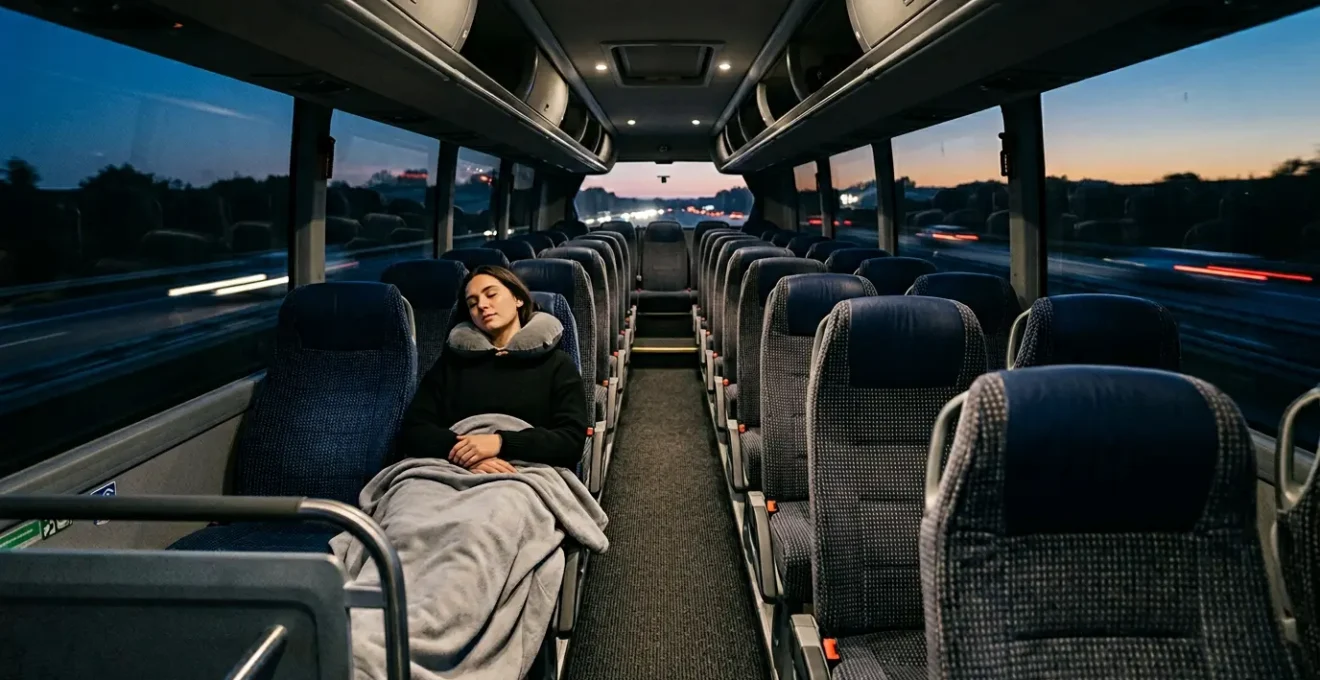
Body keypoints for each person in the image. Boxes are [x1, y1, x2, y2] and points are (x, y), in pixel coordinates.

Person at [397, 265, 588, 473]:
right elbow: (413, 430)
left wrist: (500, 443)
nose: (482, 305)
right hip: (449, 467)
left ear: (518, 299)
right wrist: (466, 454)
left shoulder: (557, 364)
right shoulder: (450, 365)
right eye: (472, 303)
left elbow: (571, 441)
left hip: (523, 472)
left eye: (491, 294)